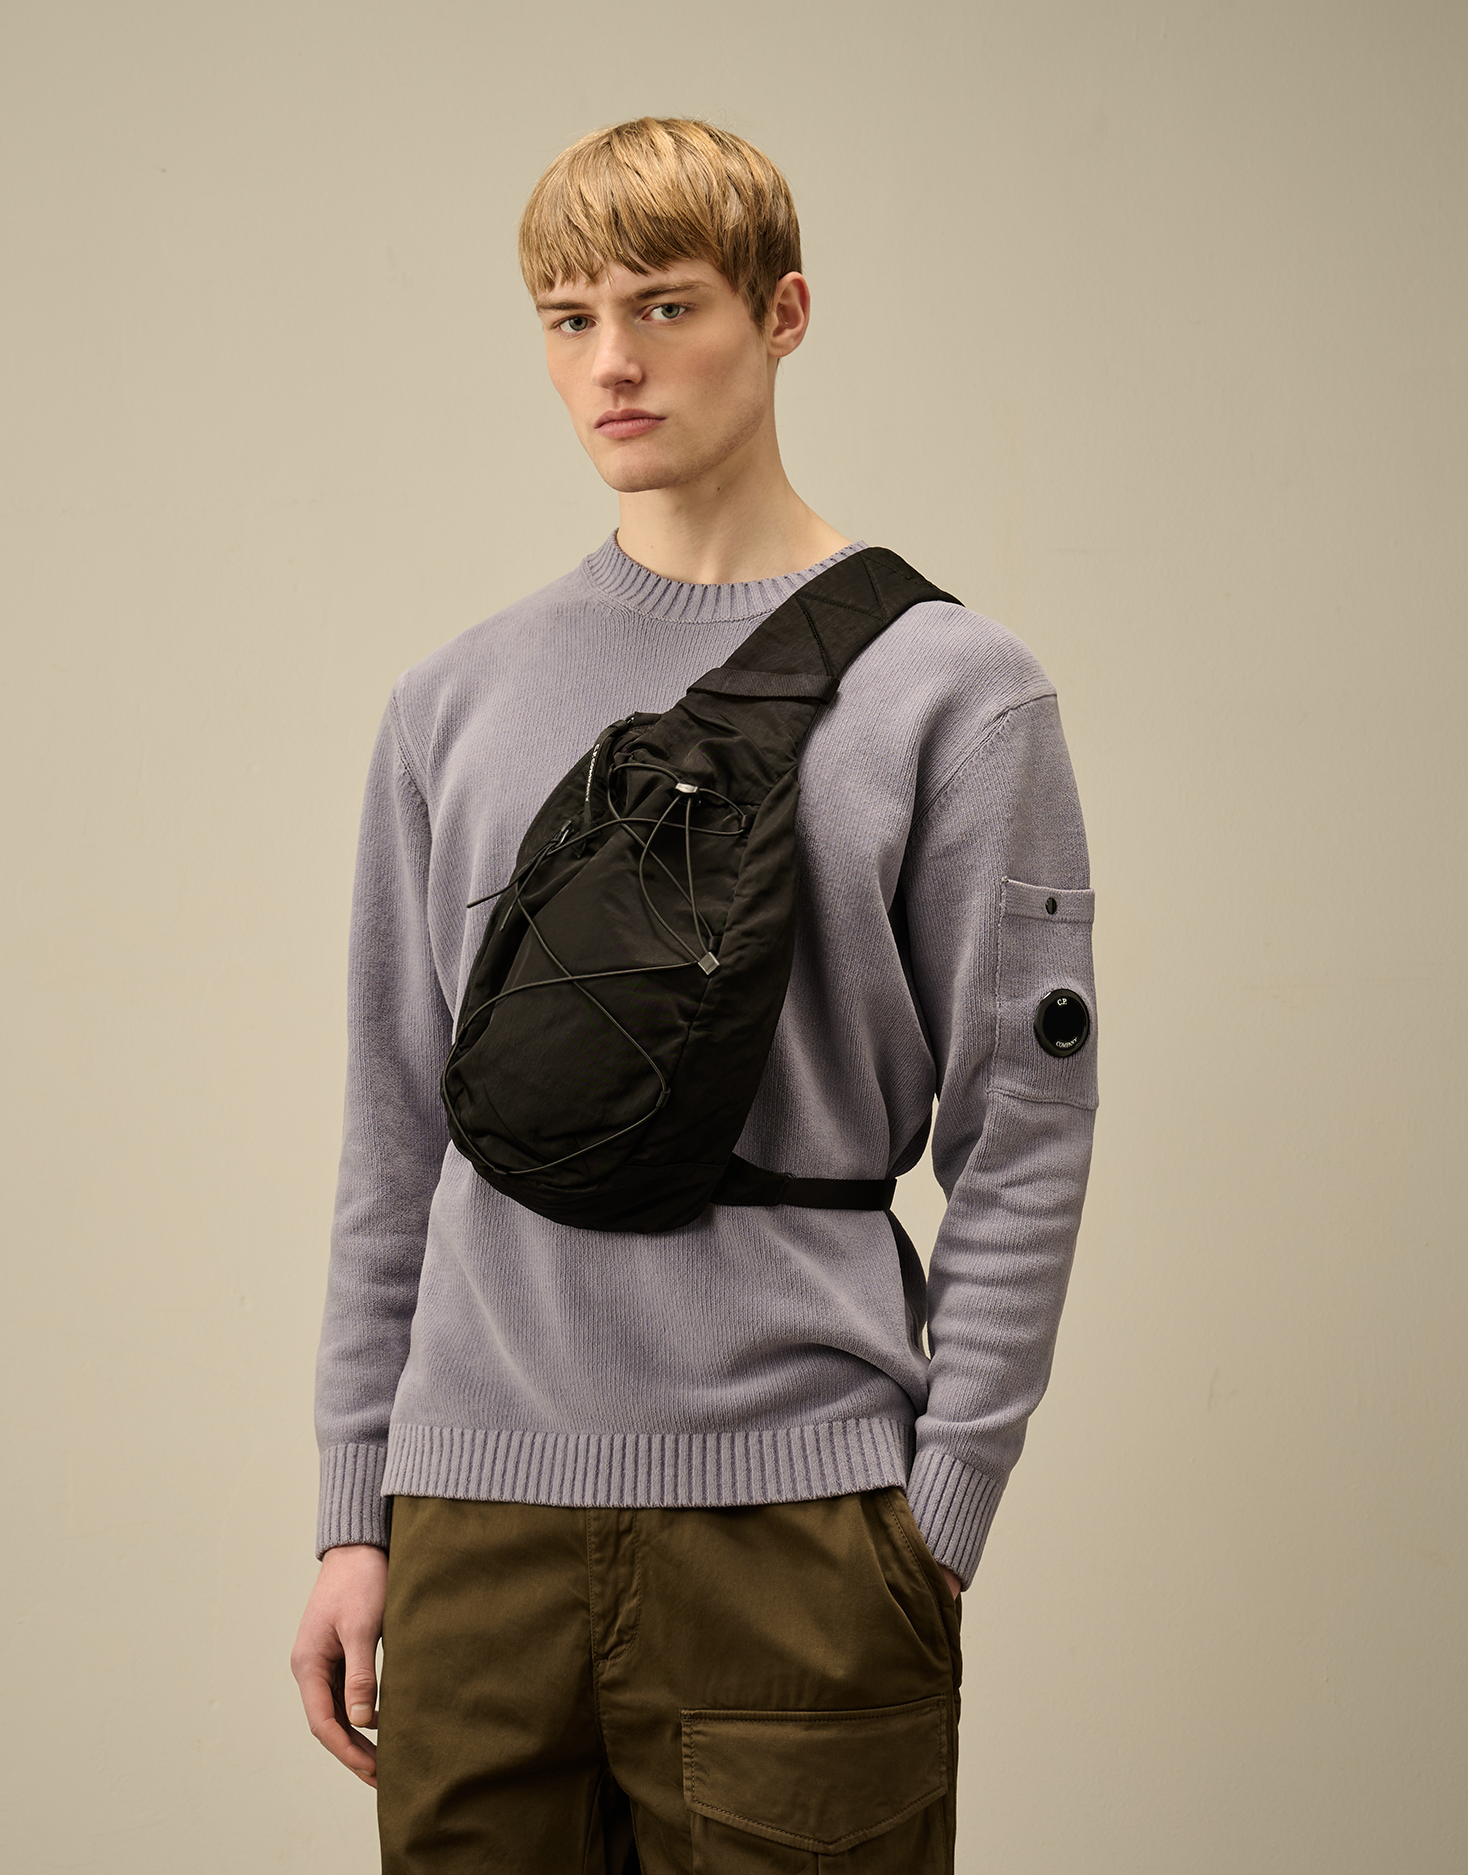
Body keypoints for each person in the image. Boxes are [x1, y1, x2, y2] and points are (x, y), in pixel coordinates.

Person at [291, 116, 1098, 1872]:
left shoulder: (958, 696)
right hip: (472, 1528)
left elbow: (1026, 1130)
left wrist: (941, 1513)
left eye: (665, 306)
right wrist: (358, 1510)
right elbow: (394, 1129)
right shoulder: (453, 701)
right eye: (568, 319)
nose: (614, 363)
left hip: (799, 1524)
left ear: (782, 313)